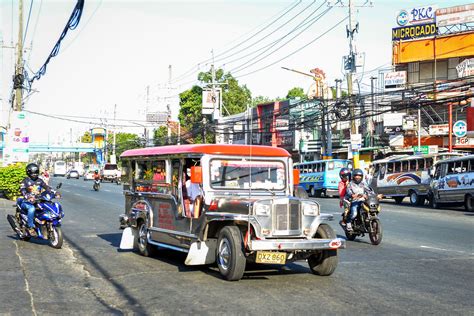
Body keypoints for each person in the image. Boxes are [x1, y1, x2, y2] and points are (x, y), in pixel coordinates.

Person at [19, 163, 52, 236]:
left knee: (47, 207)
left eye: (36, 172)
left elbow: (46, 187)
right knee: (32, 209)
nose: (34, 174)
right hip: (27, 202)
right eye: (33, 172)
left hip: (38, 200)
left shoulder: (40, 180)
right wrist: (28, 196)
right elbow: (22, 190)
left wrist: (54, 192)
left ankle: (42, 224)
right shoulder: (25, 181)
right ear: (28, 172)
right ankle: (30, 227)